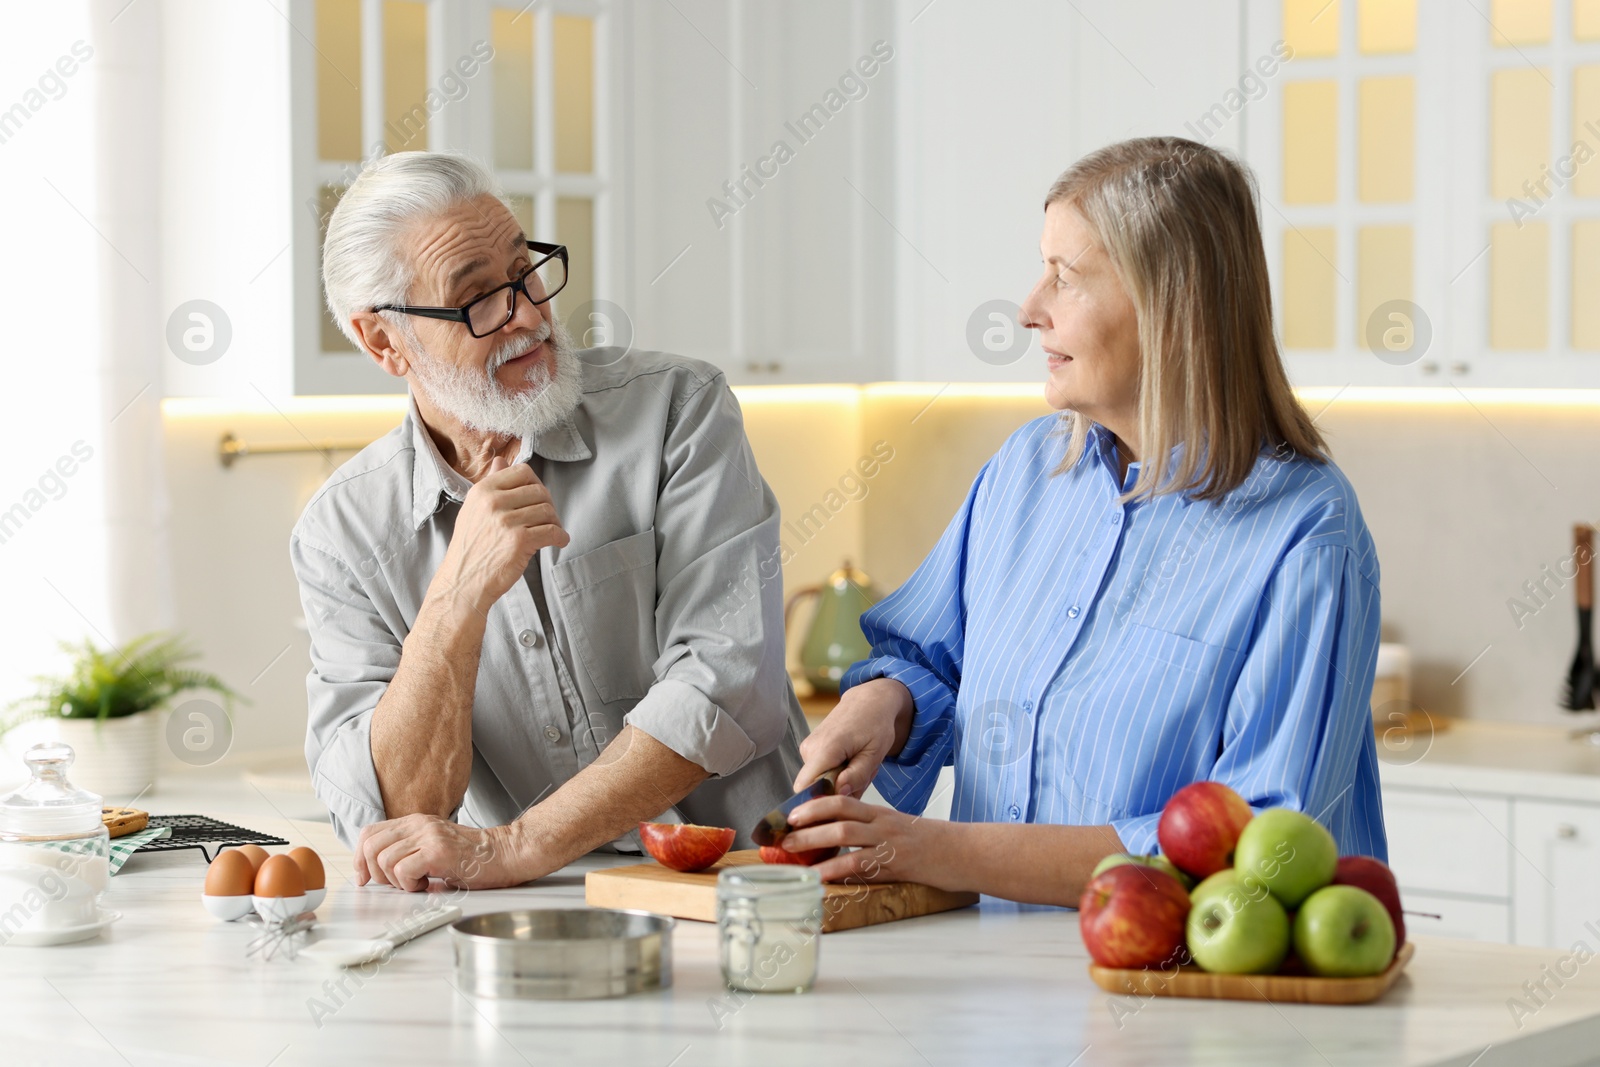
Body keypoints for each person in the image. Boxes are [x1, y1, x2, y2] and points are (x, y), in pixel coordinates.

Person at [784, 137, 1386, 905]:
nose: (1029, 309)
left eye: (1063, 279)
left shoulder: (1305, 532)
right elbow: (932, 660)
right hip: (989, 987)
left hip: (1186, 1003)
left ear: (1169, 305)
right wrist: (885, 703)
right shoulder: (1024, 472)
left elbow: (1262, 842)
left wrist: (939, 850)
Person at [291, 151, 805, 890]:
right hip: (529, 915)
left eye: (525, 272)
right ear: (383, 341)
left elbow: (722, 682)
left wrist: (516, 846)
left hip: (752, 884)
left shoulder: (677, 410)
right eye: (478, 299)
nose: (529, 315)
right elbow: (392, 814)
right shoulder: (341, 535)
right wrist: (454, 601)